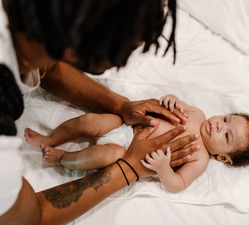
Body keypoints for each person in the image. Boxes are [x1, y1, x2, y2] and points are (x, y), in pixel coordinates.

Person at [0, 1, 200, 225]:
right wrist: (131, 167)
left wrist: (121, 105)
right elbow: (28, 219)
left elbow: (48, 68)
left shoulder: (26, 31)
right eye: (131, 43)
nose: (126, 59)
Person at [24, 94, 249, 192]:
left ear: (223, 157)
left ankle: (61, 157)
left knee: (104, 157)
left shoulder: (200, 158)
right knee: (89, 121)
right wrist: (172, 100)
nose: (219, 126)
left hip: (126, 152)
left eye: (226, 136)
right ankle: (51, 138)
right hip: (126, 126)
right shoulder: (199, 114)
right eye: (225, 119)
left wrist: (162, 169)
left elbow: (178, 184)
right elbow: (174, 104)